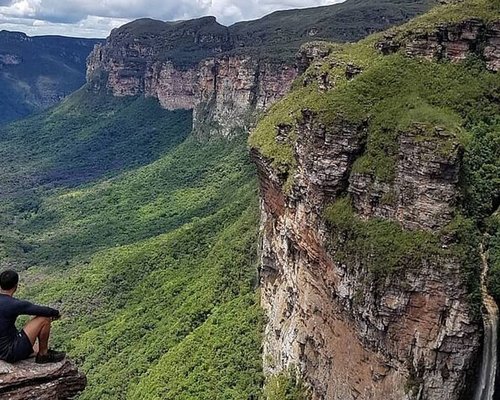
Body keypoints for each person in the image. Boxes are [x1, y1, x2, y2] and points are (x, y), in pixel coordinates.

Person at [0, 269, 65, 364]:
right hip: (9, 352)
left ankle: (33, 351)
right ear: (16, 286)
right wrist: (56, 313)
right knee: (43, 319)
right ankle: (43, 354)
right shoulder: (14, 304)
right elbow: (43, 311)